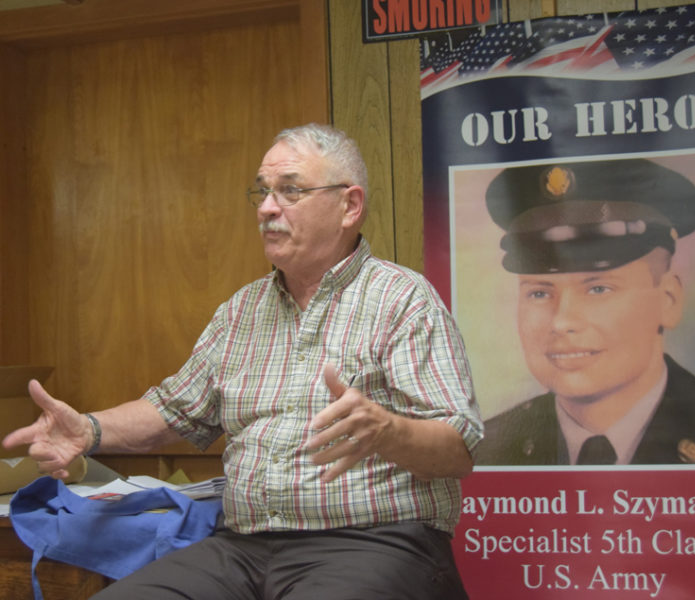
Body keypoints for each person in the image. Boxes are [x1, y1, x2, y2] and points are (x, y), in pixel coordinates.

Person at [3, 123, 483, 599]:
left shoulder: (403, 299)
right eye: (263, 191)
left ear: (349, 206)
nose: (267, 208)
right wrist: (89, 430)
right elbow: (176, 410)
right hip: (242, 548)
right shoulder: (241, 310)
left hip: (373, 542)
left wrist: (388, 431)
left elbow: (458, 450)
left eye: (290, 191)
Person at [475, 158, 695, 467]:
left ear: (668, 300)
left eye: (598, 289)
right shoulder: (487, 451)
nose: (562, 321)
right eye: (539, 293)